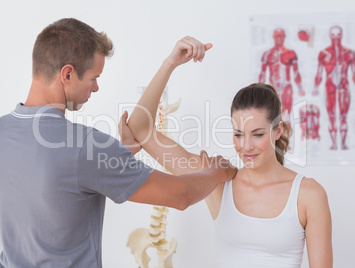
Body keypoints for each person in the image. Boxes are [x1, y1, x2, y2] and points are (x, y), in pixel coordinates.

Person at [0, 18, 236, 268]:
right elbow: (181, 195)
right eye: (93, 78)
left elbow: (57, 184)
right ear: (67, 74)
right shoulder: (86, 146)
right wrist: (217, 171)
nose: (95, 88)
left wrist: (119, 153)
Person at [125, 36, 333, 267]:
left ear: (278, 131)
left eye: (258, 134)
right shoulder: (217, 180)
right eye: (238, 134)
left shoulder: (308, 194)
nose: (246, 146)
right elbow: (140, 128)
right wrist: (169, 64)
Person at [313, 25, 355, 150]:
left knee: (343, 116)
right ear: (330, 36)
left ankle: (343, 143)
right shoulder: (324, 53)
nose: (336, 38)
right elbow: (319, 72)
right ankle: (334, 144)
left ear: (342, 36)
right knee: (331, 115)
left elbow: (354, 71)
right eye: (333, 35)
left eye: (338, 35)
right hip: (329, 86)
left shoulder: (349, 53)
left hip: (343, 86)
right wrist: (315, 87)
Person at [259, 28, 305, 124]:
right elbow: (263, 73)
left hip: (286, 87)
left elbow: (296, 72)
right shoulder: (267, 54)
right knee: (274, 117)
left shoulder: (290, 53)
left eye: (281, 36)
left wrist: (300, 88)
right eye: (277, 36)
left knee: (286, 117)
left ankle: (287, 138)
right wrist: (258, 90)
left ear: (284, 37)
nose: (279, 38)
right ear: (273, 37)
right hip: (273, 87)